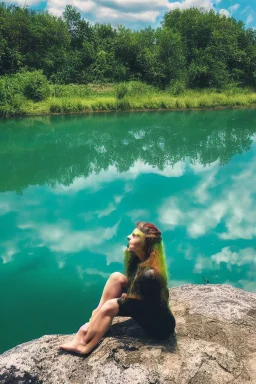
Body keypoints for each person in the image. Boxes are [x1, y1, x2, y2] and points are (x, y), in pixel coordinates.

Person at [60, 222, 175, 355]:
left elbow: (145, 306)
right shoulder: (137, 260)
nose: (128, 237)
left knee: (110, 306)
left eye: (134, 236)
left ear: (146, 242)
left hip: (157, 327)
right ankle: (94, 321)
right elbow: (136, 293)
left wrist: (121, 301)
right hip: (143, 305)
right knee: (116, 278)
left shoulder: (149, 274)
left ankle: (85, 343)